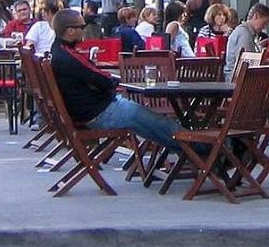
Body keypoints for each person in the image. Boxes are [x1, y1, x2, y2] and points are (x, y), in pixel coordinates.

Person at [48, 9, 183, 151]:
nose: (84, 30)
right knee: (158, 124)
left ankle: (191, 152)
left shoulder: (58, 51)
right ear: (70, 31)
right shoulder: (68, 56)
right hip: (100, 112)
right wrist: (113, 82)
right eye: (82, 27)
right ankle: (199, 150)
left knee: (154, 123)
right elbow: (101, 80)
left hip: (91, 111)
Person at [225, 3, 269, 79]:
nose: (264, 27)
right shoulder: (244, 34)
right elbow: (248, 62)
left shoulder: (244, 31)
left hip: (236, 76)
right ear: (255, 16)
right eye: (264, 23)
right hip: (237, 78)